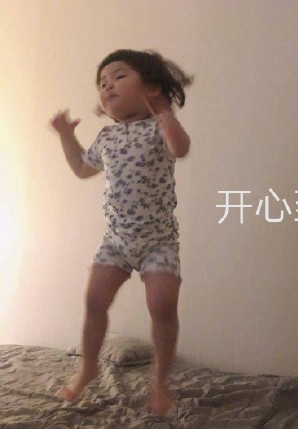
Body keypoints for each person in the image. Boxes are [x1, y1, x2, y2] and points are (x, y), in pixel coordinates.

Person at [49, 48, 193, 416]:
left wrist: (164, 113)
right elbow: (82, 168)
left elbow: (180, 148)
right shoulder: (107, 137)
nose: (107, 86)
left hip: (158, 242)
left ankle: (160, 379)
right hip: (115, 240)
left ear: (151, 87)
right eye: (102, 83)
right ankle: (88, 367)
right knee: (94, 301)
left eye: (118, 76)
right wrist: (66, 135)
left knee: (162, 305)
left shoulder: (159, 127)